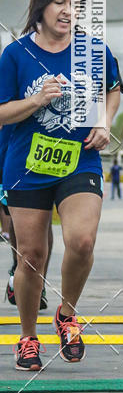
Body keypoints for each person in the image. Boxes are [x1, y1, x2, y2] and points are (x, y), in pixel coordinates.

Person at [0, 0, 123, 371]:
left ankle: (67, 315)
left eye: (75, 4)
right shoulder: (15, 55)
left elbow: (113, 90)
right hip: (28, 164)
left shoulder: (93, 49)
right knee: (31, 256)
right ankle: (27, 338)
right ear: (42, 5)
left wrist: (104, 121)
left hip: (79, 159)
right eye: (60, 2)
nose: (69, 11)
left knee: (82, 241)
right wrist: (36, 101)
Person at [1, 124, 54, 310]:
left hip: (44, 139)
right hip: (9, 141)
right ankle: (18, 268)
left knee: (42, 216)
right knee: (14, 212)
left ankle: (38, 282)